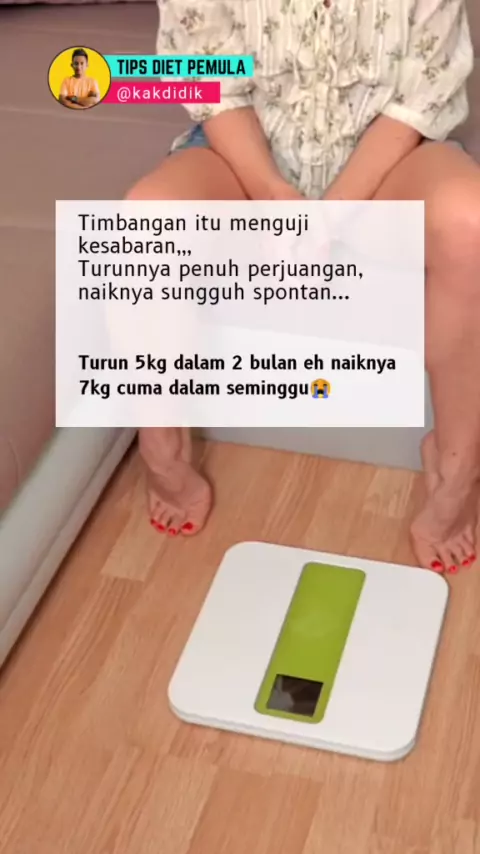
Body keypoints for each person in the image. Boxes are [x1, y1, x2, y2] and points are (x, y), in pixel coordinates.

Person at [126, 0, 480, 575]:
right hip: (248, 164)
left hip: (385, 169)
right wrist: (273, 195)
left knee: (471, 222)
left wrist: (331, 213)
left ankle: (459, 467)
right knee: (146, 218)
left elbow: (420, 95)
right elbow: (210, 81)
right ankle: (162, 448)